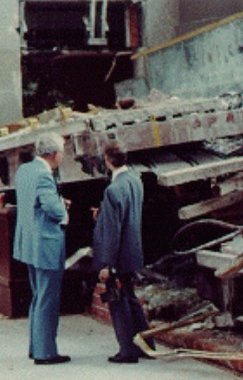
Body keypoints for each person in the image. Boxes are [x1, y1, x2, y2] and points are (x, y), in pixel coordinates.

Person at [12, 132, 72, 366]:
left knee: (38, 296)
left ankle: (36, 346)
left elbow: (33, 202)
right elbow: (54, 210)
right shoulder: (45, 176)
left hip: (28, 242)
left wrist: (55, 201)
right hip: (46, 243)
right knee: (48, 298)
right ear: (54, 154)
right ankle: (46, 352)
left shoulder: (24, 171)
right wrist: (62, 208)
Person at [92, 141, 153, 364]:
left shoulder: (112, 190)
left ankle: (127, 350)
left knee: (118, 302)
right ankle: (147, 345)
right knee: (131, 298)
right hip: (132, 251)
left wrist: (106, 264)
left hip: (117, 256)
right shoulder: (135, 181)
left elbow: (112, 231)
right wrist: (104, 216)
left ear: (107, 161)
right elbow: (125, 217)